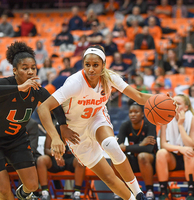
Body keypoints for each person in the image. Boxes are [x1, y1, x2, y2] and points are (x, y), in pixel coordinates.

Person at [37, 45, 154, 200]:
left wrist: (163, 98)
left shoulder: (110, 78)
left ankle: (138, 193)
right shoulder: (74, 83)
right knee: (108, 177)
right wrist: (57, 135)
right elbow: (43, 107)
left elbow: (139, 96)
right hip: (75, 130)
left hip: (96, 117)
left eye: (95, 65)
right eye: (87, 65)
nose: (91, 69)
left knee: (111, 144)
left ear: (103, 66)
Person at [0, 41, 70, 200]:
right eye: (25, 68)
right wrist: (19, 88)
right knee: (3, 190)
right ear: (15, 70)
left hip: (16, 139)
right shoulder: (5, 83)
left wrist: (63, 127)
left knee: (32, 185)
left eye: (33, 68)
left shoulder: (37, 90)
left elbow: (56, 107)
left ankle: (23, 195)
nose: (30, 72)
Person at [156, 94, 194, 200]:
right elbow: (163, 144)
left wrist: (180, 125)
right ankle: (163, 193)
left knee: (189, 152)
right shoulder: (165, 120)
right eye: (173, 103)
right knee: (161, 153)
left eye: (178, 104)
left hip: (192, 158)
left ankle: (191, 193)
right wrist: (180, 148)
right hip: (173, 158)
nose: (175, 106)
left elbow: (191, 144)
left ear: (186, 107)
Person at [112, 100, 157, 200]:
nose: (133, 114)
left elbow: (149, 148)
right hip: (133, 160)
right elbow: (118, 148)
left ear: (142, 114)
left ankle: (150, 190)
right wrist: (141, 144)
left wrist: (126, 148)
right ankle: (119, 191)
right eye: (131, 112)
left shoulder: (150, 124)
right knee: (116, 158)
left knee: (143, 156)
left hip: (151, 162)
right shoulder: (125, 125)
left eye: (136, 112)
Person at [37, 125, 86, 200]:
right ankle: (45, 193)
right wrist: (57, 154)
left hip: (71, 158)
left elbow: (82, 150)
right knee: (41, 160)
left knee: (80, 161)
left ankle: (77, 193)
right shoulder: (52, 129)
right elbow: (46, 150)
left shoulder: (76, 129)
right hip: (55, 158)